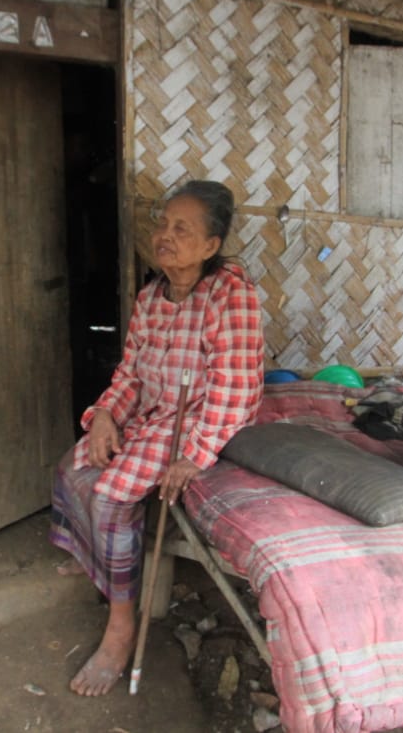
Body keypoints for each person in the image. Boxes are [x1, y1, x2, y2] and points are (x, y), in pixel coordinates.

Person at [50, 179, 265, 697]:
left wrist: (193, 456)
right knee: (70, 471)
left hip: (197, 420)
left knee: (111, 495)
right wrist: (104, 416)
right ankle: (107, 570)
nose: (164, 236)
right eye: (163, 224)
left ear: (211, 246)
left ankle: (120, 627)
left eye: (181, 229)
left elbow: (236, 393)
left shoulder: (230, 294)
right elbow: (129, 376)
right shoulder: (152, 295)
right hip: (151, 415)